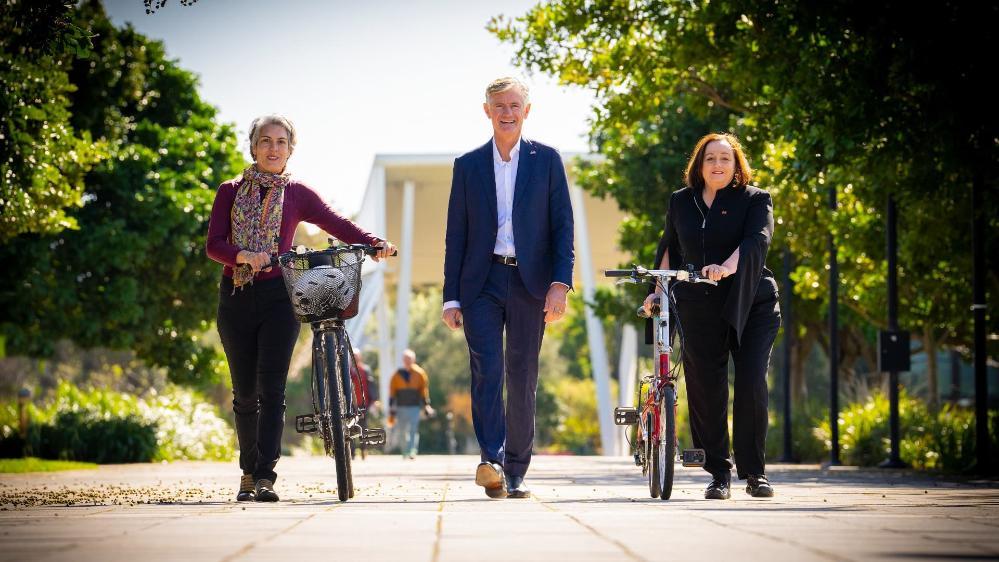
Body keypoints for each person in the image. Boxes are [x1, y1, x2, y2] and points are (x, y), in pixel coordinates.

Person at [206, 114, 395, 502]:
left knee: (272, 389)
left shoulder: (297, 194)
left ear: (291, 149)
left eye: (280, 142)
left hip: (280, 297)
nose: (273, 149)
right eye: (265, 141)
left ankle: (265, 477)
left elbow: (335, 222)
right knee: (244, 392)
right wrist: (242, 254)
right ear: (253, 147)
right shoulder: (230, 190)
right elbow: (214, 244)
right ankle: (246, 472)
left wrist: (373, 242)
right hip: (236, 296)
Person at [442, 77, 574, 499]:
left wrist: (559, 285)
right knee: (487, 368)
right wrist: (451, 296)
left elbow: (562, 227)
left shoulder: (548, 160)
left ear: (527, 110)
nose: (507, 112)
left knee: (522, 373)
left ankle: (516, 469)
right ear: (486, 110)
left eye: (515, 105)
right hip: (480, 281)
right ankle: (492, 460)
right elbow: (456, 235)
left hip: (530, 281)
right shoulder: (467, 165)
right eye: (499, 105)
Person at [643, 132, 780, 500]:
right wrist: (656, 292)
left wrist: (726, 267)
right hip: (698, 304)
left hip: (751, 301)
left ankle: (755, 473)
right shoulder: (680, 202)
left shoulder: (755, 199)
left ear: (737, 166)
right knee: (705, 387)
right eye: (710, 159)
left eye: (725, 159)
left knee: (750, 381)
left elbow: (757, 242)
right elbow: (669, 247)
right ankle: (719, 472)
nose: (717, 165)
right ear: (698, 166)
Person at [388, 349, 434, 459]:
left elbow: (424, 390)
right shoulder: (396, 375)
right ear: (403, 360)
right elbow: (392, 392)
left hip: (414, 406)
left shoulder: (420, 373)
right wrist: (391, 406)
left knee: (413, 429)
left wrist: (426, 404)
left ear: (413, 359)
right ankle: (405, 451)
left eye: (410, 359)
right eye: (406, 359)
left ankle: (412, 451)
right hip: (401, 406)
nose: (408, 361)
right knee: (402, 430)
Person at [351, 350, 379, 460]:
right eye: (353, 356)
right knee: (351, 428)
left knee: (363, 428)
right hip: (351, 405)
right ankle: (352, 452)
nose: (355, 358)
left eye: (356, 356)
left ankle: (364, 450)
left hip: (363, 404)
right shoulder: (348, 370)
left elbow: (371, 385)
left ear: (360, 357)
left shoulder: (365, 370)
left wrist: (374, 400)